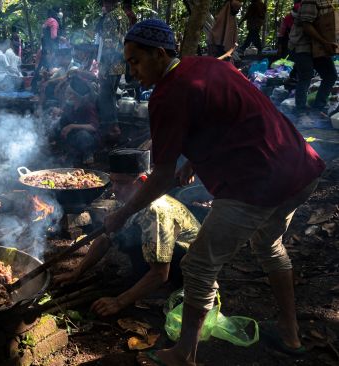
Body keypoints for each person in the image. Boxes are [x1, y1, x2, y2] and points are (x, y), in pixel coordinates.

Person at [104, 19, 324, 365]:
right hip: (300, 168)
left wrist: (122, 213)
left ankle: (183, 354)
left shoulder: (166, 95)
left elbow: (160, 178)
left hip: (255, 184)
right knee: (269, 245)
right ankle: (290, 333)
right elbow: (230, 115)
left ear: (160, 54)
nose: (132, 71)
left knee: (198, 266)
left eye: (135, 61)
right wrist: (192, 160)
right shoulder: (207, 65)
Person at [55, 149, 200, 316]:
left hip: (187, 266)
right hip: (160, 254)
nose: (114, 189)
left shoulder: (156, 212)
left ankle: (166, 288)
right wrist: (77, 272)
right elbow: (105, 238)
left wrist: (118, 302)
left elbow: (161, 273)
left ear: (143, 181)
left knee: (140, 240)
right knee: (127, 234)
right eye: (113, 182)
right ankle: (145, 279)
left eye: (122, 183)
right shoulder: (127, 200)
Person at [288, 0, 338, 113]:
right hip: (302, 44)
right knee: (306, 75)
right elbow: (306, 25)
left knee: (330, 75)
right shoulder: (310, 1)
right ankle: (300, 111)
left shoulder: (329, 2)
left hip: (319, 45)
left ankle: (318, 107)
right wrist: (325, 43)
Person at [96, 0, 129, 124]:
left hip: (110, 61)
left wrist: (104, 67)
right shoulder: (123, 15)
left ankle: (110, 124)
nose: (103, 5)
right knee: (113, 92)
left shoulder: (110, 17)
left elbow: (109, 44)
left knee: (106, 93)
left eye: (104, 2)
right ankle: (115, 122)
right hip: (121, 59)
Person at [55, 76, 100, 164]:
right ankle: (67, 152)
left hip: (88, 138)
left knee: (83, 135)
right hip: (73, 136)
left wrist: (72, 126)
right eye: (69, 94)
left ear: (78, 96)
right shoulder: (70, 105)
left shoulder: (87, 106)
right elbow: (64, 118)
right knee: (57, 125)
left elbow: (94, 126)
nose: (69, 96)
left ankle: (88, 154)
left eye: (72, 94)